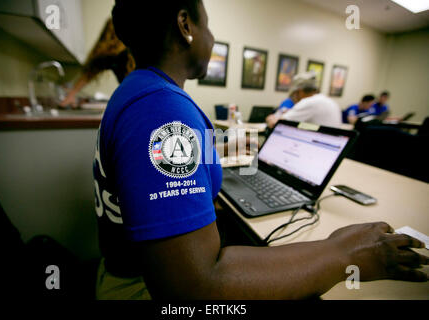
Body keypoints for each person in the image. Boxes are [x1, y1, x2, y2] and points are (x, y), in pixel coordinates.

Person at [93, 0, 428, 300]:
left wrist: (221, 148)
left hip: (124, 272)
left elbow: (163, 160)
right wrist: (344, 254)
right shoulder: (161, 109)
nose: (210, 38)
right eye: (207, 25)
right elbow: (195, 287)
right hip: (139, 290)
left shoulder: (139, 91)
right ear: (185, 26)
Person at [60, 18, 136, 108]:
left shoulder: (113, 54)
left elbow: (89, 73)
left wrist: (71, 95)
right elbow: (91, 71)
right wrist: (71, 94)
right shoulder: (116, 54)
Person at [266, 72, 342, 129]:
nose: (294, 98)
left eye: (294, 95)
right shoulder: (331, 102)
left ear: (299, 92)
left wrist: (270, 118)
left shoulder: (308, 102)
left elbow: (275, 124)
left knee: (254, 142)